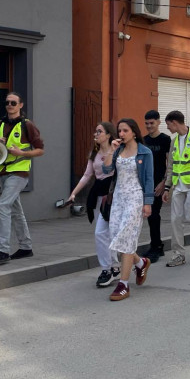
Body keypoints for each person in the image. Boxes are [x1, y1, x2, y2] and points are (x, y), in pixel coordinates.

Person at [0, 92, 45, 266]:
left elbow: (40, 150)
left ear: (20, 105)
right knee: (16, 210)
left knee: (2, 206)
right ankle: (26, 247)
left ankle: (3, 250)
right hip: (3, 172)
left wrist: (22, 153)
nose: (10, 105)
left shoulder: (27, 125)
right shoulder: (0, 124)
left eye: (13, 103)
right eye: (7, 103)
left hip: (19, 172)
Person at [103, 119, 155, 301]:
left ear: (134, 132)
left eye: (125, 130)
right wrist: (111, 150)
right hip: (118, 198)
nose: (121, 134)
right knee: (117, 236)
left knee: (126, 238)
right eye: (119, 131)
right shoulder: (118, 150)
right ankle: (140, 263)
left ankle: (123, 284)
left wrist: (148, 202)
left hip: (135, 198)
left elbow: (149, 179)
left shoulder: (145, 152)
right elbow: (106, 169)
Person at [66, 121, 121, 287]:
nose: (95, 134)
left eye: (99, 131)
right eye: (95, 131)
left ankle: (109, 268)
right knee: (102, 233)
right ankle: (113, 267)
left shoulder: (118, 151)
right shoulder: (94, 153)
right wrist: (74, 193)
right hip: (98, 195)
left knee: (107, 233)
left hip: (112, 195)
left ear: (108, 135)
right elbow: (86, 175)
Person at [162, 110, 190, 267]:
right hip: (178, 186)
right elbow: (171, 166)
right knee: (175, 219)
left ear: (175, 123)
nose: (168, 128)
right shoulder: (174, 141)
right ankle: (178, 254)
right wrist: (167, 188)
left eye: (168, 125)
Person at [142, 110, 171, 262]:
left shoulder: (165, 139)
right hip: (146, 183)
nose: (149, 126)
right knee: (149, 215)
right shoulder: (144, 140)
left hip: (158, 183)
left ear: (159, 122)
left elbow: (169, 163)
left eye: (152, 123)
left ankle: (157, 246)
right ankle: (156, 245)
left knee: (154, 214)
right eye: (146, 123)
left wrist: (164, 183)